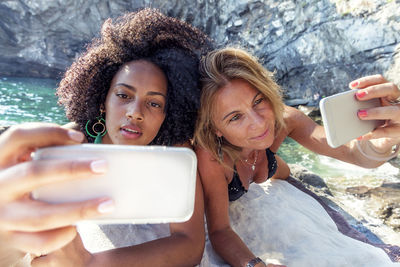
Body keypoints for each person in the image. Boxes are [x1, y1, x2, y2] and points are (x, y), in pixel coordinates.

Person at [0, 8, 212, 266]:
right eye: (123, 95)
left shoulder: (176, 153)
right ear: (103, 101)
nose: (136, 113)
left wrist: (91, 263)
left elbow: (190, 244)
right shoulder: (72, 142)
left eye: (154, 103)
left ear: (168, 113)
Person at [194, 47, 400, 267]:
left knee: (282, 171)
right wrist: (255, 265)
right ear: (215, 128)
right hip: (226, 212)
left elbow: (354, 154)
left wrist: (383, 142)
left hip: (276, 175)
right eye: (235, 117)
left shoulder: (284, 120)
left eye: (258, 101)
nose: (258, 122)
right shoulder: (212, 156)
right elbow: (220, 231)